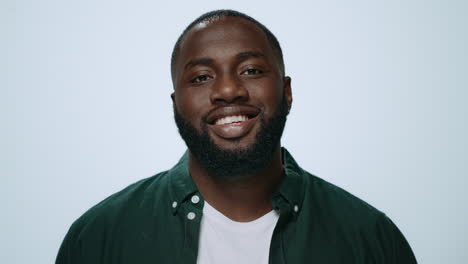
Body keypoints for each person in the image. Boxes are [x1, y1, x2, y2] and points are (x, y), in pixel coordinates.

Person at [56, 9, 417, 264]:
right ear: (175, 103)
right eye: (200, 77)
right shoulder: (99, 238)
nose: (228, 90)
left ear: (286, 91)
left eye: (251, 70)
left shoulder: (370, 239)